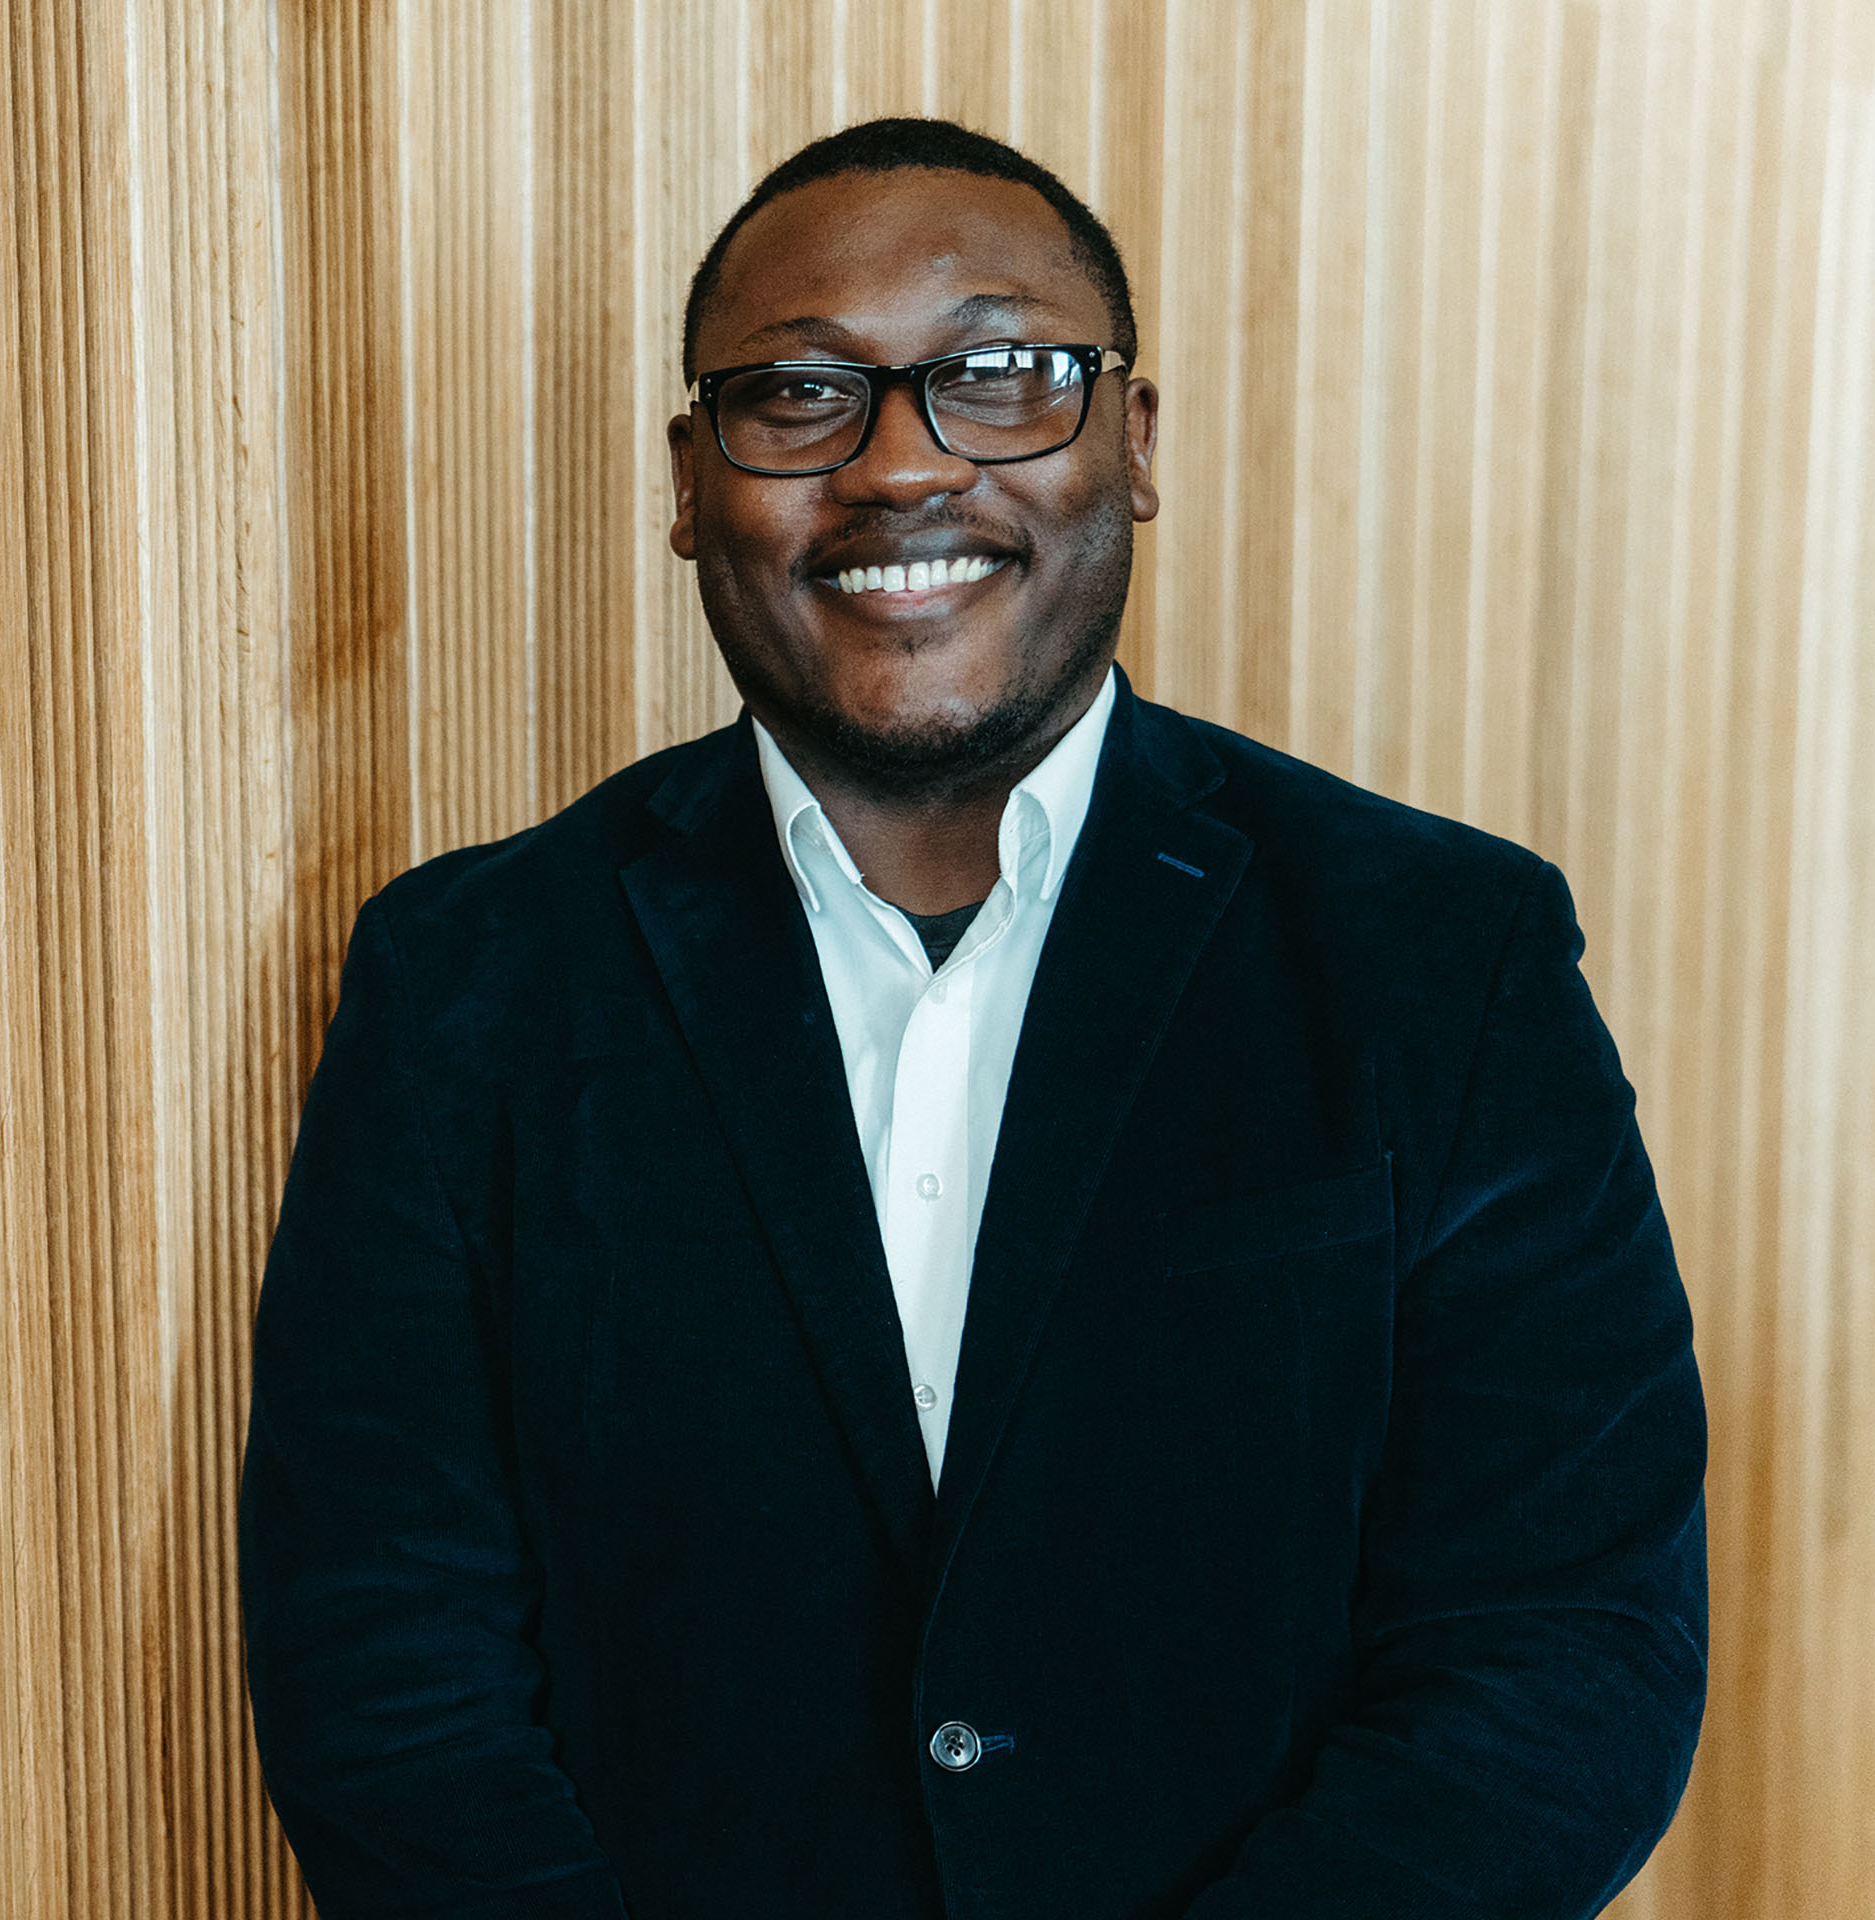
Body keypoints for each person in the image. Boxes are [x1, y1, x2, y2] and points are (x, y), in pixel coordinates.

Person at [240, 117, 1707, 1920]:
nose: (901, 468)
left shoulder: (1440, 953)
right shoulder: (466, 980)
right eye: (799, 395)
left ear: (1135, 444)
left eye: (1001, 376)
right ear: (692, 483)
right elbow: (383, 1662)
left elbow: (1563, 1646)